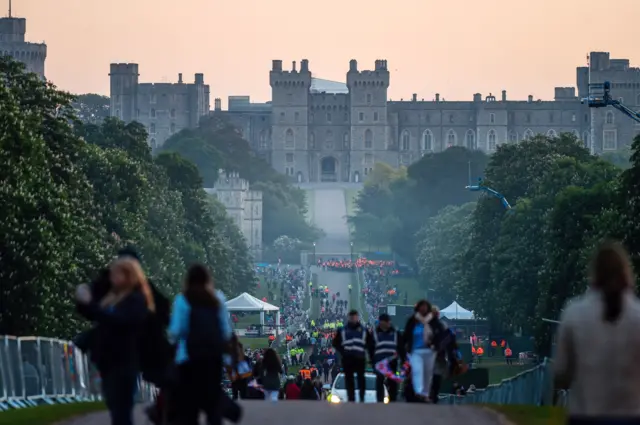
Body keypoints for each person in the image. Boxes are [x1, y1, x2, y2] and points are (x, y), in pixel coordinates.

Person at [555, 242, 640, 423]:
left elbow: (561, 373)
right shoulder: (637, 316)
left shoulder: (574, 313)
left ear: (593, 273)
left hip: (585, 416)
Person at [75, 257, 154, 425]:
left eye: (116, 274)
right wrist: (84, 301)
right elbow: (95, 316)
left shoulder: (136, 299)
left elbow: (118, 320)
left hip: (125, 360)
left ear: (128, 276)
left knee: (122, 410)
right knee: (114, 405)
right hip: (109, 360)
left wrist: (92, 305)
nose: (112, 278)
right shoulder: (112, 297)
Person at [168, 263, 233, 425]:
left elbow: (175, 331)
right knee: (212, 404)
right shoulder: (217, 299)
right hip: (213, 356)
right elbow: (225, 330)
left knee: (189, 407)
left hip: (188, 357)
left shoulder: (182, 300)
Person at [366, 313, 404, 402]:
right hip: (379, 362)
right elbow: (370, 348)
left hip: (392, 361)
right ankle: (380, 401)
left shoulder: (395, 333)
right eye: (384, 322)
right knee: (379, 381)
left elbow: (401, 347)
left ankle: (393, 400)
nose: (387, 324)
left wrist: (403, 359)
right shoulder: (374, 334)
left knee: (393, 382)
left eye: (387, 322)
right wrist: (372, 361)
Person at [403, 300, 436, 403]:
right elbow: (406, 335)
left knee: (427, 373)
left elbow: (439, 334)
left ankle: (425, 394)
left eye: (425, 307)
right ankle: (418, 391)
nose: (423, 309)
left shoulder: (433, 321)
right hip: (416, 351)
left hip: (429, 350)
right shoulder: (412, 321)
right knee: (417, 371)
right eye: (421, 307)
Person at [332, 310, 366, 402]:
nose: (353, 319)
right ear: (348, 318)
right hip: (348, 358)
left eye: (355, 317)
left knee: (361, 379)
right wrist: (343, 351)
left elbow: (370, 344)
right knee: (349, 379)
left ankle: (362, 397)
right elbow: (335, 343)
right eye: (351, 317)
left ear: (357, 318)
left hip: (360, 358)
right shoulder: (342, 330)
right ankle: (351, 399)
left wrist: (364, 351)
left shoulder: (364, 330)